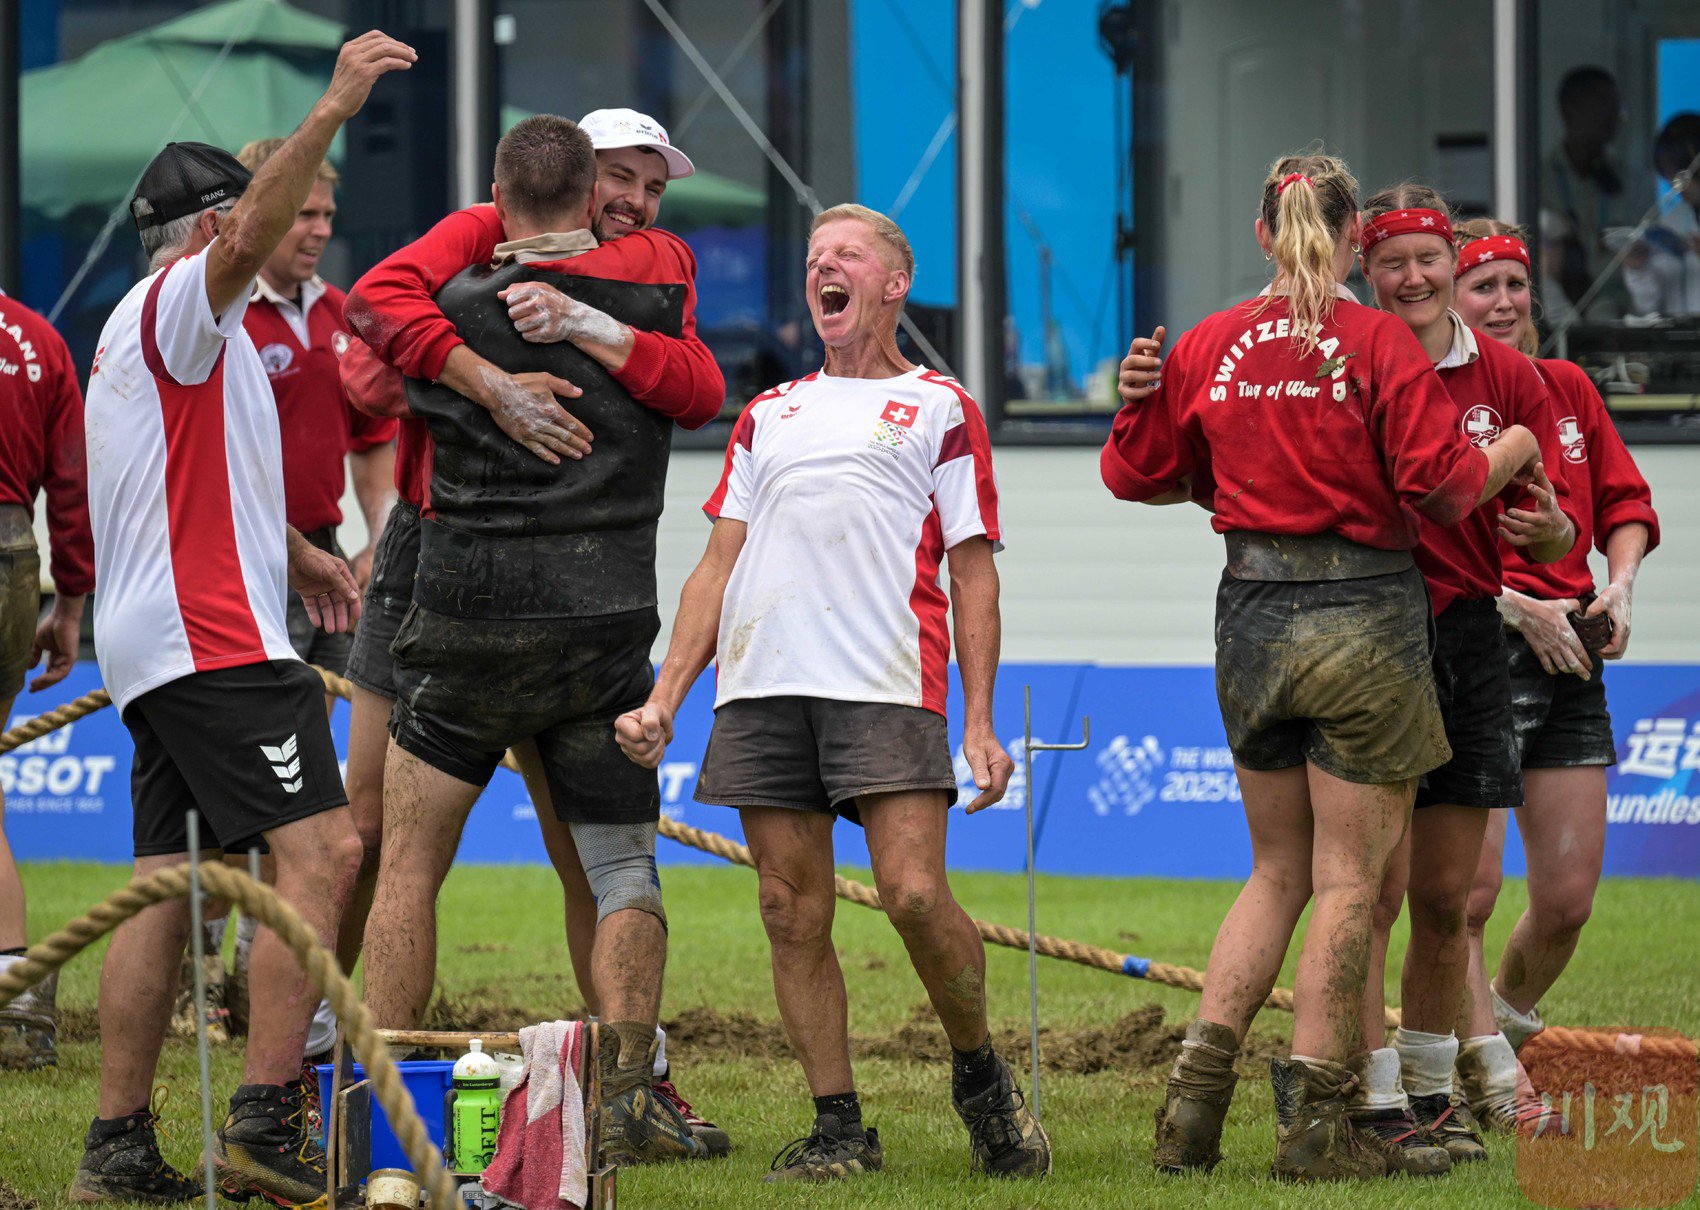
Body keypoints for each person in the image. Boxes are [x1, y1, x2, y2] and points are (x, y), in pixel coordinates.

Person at [1101, 153, 1542, 1182]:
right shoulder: (1375, 342)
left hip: (1247, 615)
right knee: (1349, 885)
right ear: (1353, 244)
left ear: (1261, 233)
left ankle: (1189, 1115)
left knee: (1274, 872)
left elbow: (1138, 473)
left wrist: (1142, 399)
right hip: (1363, 620)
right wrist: (1516, 445)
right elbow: (1440, 490)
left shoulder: (1208, 340)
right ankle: (1315, 1129)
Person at [619, 203, 1048, 1185]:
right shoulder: (768, 413)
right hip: (761, 682)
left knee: (909, 892)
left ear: (892, 283)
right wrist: (665, 696)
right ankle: (836, 1124)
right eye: (815, 258)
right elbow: (714, 567)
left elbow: (972, 573)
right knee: (786, 908)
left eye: (847, 256)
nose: (826, 269)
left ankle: (981, 1077)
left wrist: (978, 719)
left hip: (886, 681)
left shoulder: (940, 404)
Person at [341, 108, 727, 1153]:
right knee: (620, 875)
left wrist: (470, 364)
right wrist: (516, 371)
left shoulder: (452, 295)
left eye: (654, 186)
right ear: (585, 181)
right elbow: (700, 387)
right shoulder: (658, 290)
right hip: (596, 634)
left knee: (408, 869)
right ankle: (628, 1100)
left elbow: (366, 368)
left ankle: (373, 1110)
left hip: (462, 622)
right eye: (624, 179)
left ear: (505, 197)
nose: (640, 205)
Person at [71, 32, 410, 1204]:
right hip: (213, 639)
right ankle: (265, 1118)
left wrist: (301, 551)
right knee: (324, 852)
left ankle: (117, 1144)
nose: (275, 237)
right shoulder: (182, 300)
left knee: (165, 884)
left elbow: (188, 486)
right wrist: (334, 106)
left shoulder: (139, 330)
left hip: (162, 637)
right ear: (217, 231)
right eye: (254, 222)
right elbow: (255, 225)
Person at [1353, 185, 1577, 1169]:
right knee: (1367, 892)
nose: (1412, 277)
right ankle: (1364, 1094)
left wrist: (1550, 528)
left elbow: (1555, 521)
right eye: (1391, 262)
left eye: (1426, 259)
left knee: (1448, 897)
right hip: (1367, 635)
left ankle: (1431, 1090)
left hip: (1468, 642)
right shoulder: (1345, 358)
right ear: (1366, 271)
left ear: (1446, 259)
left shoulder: (1508, 374)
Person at [168, 137, 399, 1058]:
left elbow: (372, 433)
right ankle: (204, 972)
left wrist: (381, 531)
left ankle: (292, 986)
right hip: (240, 568)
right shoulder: (208, 317)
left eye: (327, 217)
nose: (318, 232)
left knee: (340, 802)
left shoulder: (338, 314)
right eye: (302, 214)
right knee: (237, 793)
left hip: (331, 567)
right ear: (255, 217)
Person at [1449, 219, 1658, 1131]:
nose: (1501, 301)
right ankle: (1504, 1088)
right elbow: (1413, 538)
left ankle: (1495, 1038)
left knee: (1567, 904)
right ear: (1448, 302)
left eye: (1512, 284)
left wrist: (1617, 588)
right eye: (1480, 284)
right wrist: (1512, 601)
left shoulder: (1569, 388)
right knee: (1470, 897)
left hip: (1571, 649)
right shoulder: (1435, 390)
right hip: (1476, 643)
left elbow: (1625, 503)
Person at [0, 289, 92, 1072]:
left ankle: (17, 993)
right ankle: (18, 992)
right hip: (14, 559)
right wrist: (69, 604)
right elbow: (70, 485)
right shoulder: (37, 339)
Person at [1538, 66, 1652, 321]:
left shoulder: (1631, 179)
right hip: (1556, 310)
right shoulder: (1538, 180)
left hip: (1620, 308)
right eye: (1603, 105)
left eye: (1616, 107)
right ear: (1569, 109)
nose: (1614, 117)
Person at [1624, 114, 1700, 317]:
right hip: (1675, 343)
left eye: (1681, 170)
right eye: (1668, 173)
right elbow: (1648, 306)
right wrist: (1637, 269)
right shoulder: (1672, 222)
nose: (1676, 182)